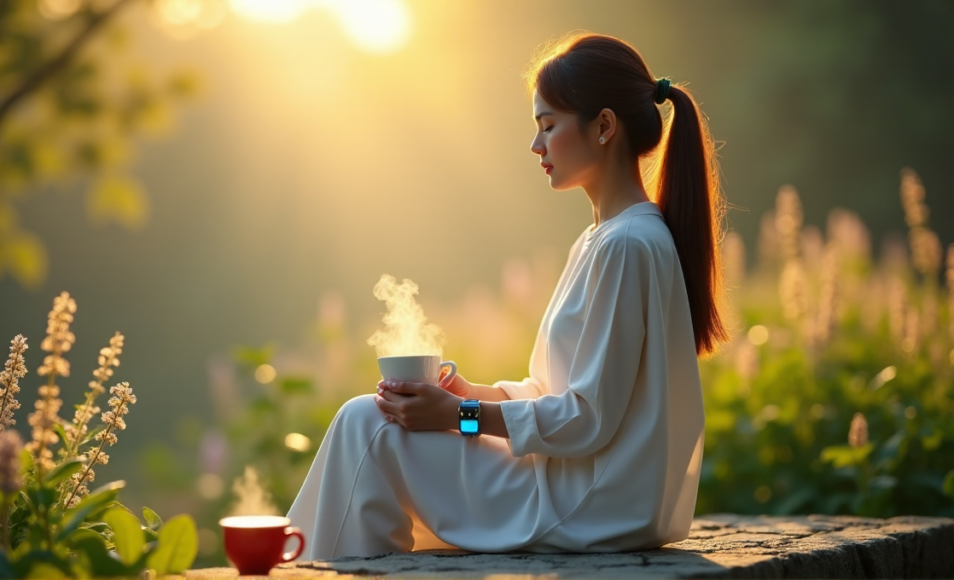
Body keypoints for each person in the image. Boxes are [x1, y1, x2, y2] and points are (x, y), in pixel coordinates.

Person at [285, 32, 728, 561]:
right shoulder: (605, 239)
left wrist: (459, 414)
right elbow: (555, 392)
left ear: (604, 126)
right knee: (371, 422)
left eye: (548, 126)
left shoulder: (627, 245)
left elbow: (587, 418)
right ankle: (316, 562)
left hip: (588, 502)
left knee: (366, 425)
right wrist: (476, 392)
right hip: (580, 484)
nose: (536, 147)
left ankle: (299, 564)